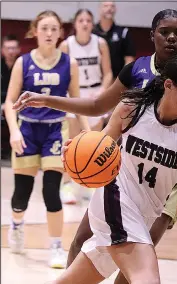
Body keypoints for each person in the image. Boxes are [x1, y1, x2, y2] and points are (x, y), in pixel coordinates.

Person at [13, 9, 177, 282]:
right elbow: (97, 110)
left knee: (117, 266)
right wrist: (74, 138)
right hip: (119, 192)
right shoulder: (134, 95)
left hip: (168, 186)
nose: (172, 37)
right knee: (135, 264)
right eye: (165, 32)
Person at [55, 55, 177, 284]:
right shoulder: (132, 109)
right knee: (147, 279)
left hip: (145, 216)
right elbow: (98, 148)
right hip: (115, 200)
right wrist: (77, 149)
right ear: (169, 85)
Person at [4, 10, 90, 268]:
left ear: (60, 33)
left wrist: (86, 132)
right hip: (28, 130)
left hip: (55, 131)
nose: (50, 33)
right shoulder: (23, 62)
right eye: (45, 28)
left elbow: (77, 103)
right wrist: (14, 131)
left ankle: (55, 246)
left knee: (51, 191)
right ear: (35, 31)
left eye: (54, 29)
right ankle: (16, 226)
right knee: (21, 195)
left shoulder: (69, 63)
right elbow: (9, 101)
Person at [59, 9, 113, 204]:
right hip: (75, 94)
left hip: (95, 93)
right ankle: (67, 185)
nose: (84, 23)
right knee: (73, 142)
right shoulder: (66, 45)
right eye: (81, 20)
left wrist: (102, 92)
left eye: (88, 20)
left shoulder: (100, 43)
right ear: (75, 24)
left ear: (92, 23)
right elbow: (63, 73)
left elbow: (107, 73)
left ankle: (92, 185)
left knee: (94, 142)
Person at [93, 1, 136, 80]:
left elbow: (129, 60)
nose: (109, 9)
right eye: (106, 6)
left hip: (116, 81)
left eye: (112, 6)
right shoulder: (92, 32)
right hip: (95, 81)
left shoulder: (123, 32)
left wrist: (120, 81)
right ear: (99, 9)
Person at [1, 35, 21, 158]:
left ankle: (18, 150)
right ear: (2, 50)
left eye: (14, 48)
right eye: (8, 48)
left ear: (19, 49)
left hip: (18, 104)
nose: (11, 52)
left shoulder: (23, 65)